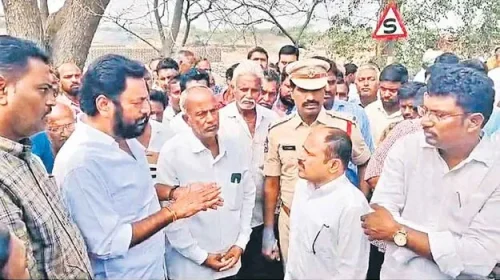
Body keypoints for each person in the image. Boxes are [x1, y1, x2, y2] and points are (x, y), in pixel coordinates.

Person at [53, 54, 222, 279]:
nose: (147, 109)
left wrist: (174, 192)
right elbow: (106, 243)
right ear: (103, 104)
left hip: (154, 269)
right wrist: (174, 211)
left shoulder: (127, 137)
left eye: (146, 99)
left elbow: (132, 194)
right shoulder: (80, 163)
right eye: (137, 102)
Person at [362, 65, 500, 279]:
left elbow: (479, 257)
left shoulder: (495, 171)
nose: (425, 121)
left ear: (474, 122)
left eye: (440, 115)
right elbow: (379, 220)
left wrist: (399, 233)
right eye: (426, 110)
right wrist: (449, 246)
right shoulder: (406, 147)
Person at [0, 35, 92, 279]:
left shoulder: (29, 157)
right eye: (43, 90)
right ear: (2, 89)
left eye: (53, 91)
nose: (52, 101)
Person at [263, 59, 372, 265]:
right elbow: (271, 183)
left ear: (325, 91)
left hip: (335, 223)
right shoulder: (278, 130)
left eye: (317, 90)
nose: (311, 97)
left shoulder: (345, 126)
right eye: (303, 90)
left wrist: (362, 200)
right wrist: (269, 230)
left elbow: (365, 162)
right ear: (291, 91)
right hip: (291, 220)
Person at [157, 85, 256, 279]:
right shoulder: (173, 152)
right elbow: (170, 216)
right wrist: (201, 257)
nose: (211, 119)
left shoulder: (235, 145)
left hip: (231, 262)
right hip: (190, 269)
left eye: (214, 110)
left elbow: (247, 195)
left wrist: (241, 243)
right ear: (187, 119)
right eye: (202, 114)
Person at [219, 61, 282, 279]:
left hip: (264, 215)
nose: (248, 95)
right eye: (243, 89)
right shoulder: (220, 121)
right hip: (231, 217)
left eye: (254, 90)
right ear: (232, 89)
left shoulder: (273, 120)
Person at [285, 127, 370, 279]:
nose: (300, 157)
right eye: (303, 150)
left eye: (309, 154)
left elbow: (351, 271)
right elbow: (296, 254)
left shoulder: (353, 205)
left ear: (334, 165)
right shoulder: (302, 187)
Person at [365, 64, 406, 146]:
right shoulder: (368, 112)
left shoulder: (409, 115)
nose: (386, 94)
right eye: (383, 89)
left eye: (393, 90)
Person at [31, 102, 76, 173]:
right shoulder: (37, 141)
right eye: (55, 129)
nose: (65, 133)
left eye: (69, 126)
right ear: (44, 127)